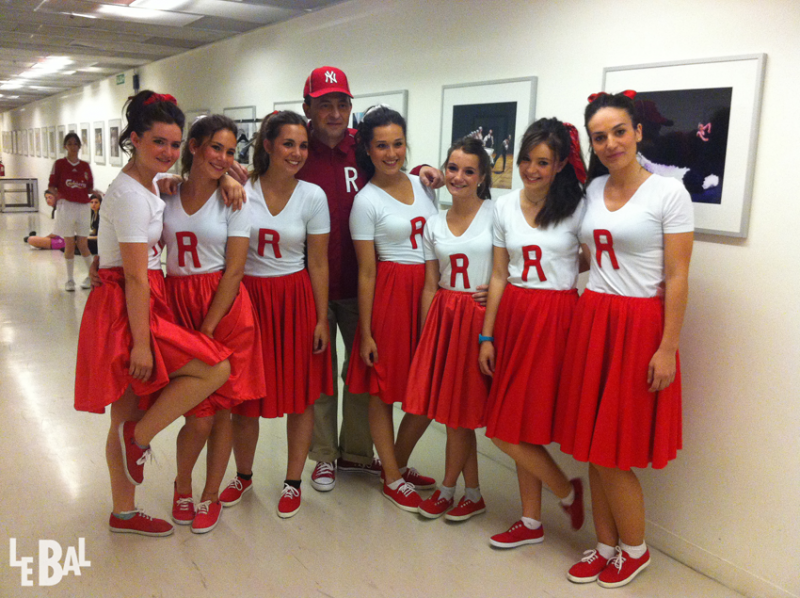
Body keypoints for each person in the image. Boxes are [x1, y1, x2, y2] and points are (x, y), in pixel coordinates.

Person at [73, 90, 232, 537]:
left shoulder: (146, 185)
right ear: (135, 139)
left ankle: (124, 504)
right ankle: (136, 449)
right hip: (127, 305)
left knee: (127, 413)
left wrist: (227, 179)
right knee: (212, 368)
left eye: (175, 144)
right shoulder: (130, 194)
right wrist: (141, 344)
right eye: (158, 142)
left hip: (138, 299)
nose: (167, 152)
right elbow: (135, 275)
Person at [553, 91, 693, 588]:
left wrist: (667, 347)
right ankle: (606, 545)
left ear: (637, 132)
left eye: (618, 132)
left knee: (614, 450)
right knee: (593, 445)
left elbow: (678, 276)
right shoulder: (592, 190)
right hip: (594, 318)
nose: (610, 143)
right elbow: (584, 253)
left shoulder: (669, 193)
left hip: (638, 326)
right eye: (599, 136)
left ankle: (636, 550)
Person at [297, 66, 444, 494]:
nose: (334, 112)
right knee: (320, 375)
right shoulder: (298, 151)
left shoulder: (360, 147)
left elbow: (393, 168)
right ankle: (324, 455)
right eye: (324, 104)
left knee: (363, 373)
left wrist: (424, 169)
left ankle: (357, 454)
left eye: (341, 103)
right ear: (308, 108)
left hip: (367, 285)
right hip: (313, 283)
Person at [479, 118, 588, 550]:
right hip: (514, 314)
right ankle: (534, 517)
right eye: (525, 159)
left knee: (513, 427)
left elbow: (594, 257)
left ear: (560, 164)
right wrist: (487, 336)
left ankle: (562, 495)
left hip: (556, 318)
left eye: (543, 162)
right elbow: (499, 274)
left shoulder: (578, 207)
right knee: (512, 425)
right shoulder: (504, 206)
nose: (531, 169)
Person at [220, 111, 332, 519]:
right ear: (267, 145)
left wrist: (321, 318)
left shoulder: (313, 196)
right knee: (245, 397)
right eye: (288, 144)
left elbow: (317, 262)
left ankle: (293, 481)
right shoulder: (238, 188)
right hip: (248, 299)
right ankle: (243, 475)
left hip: (294, 300)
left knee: (301, 397)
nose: (297, 153)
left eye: (303, 145)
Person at [160, 114, 265, 533]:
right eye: (215, 148)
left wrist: (206, 329)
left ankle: (210, 494)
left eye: (230, 152)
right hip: (177, 304)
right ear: (194, 147)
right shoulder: (165, 192)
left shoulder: (235, 200)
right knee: (196, 413)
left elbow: (235, 270)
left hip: (222, 307)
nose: (223, 158)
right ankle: (182, 484)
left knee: (222, 412)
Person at [346, 105, 438, 512]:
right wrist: (366, 331)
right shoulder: (365, 201)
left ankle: (394, 463)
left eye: (397, 143)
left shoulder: (424, 185)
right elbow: (367, 272)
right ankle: (392, 476)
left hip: (431, 290)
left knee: (431, 387)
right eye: (381, 145)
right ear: (367, 149)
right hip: (392, 293)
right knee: (382, 390)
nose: (391, 153)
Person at [404, 136, 493, 521]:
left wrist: (501, 291)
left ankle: (448, 488)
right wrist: (427, 336)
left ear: (482, 176)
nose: (458, 177)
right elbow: (429, 284)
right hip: (445, 317)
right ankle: (471, 493)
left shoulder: (497, 214)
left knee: (461, 414)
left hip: (479, 318)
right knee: (456, 414)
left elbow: (512, 268)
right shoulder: (434, 223)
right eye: (453, 168)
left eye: (469, 171)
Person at [49, 132, 94, 291]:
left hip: (83, 207)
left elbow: (89, 188)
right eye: (70, 144)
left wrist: (95, 193)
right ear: (65, 146)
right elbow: (52, 186)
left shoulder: (85, 166)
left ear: (80, 146)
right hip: (66, 206)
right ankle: (70, 280)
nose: (73, 147)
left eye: (76, 144)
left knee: (82, 244)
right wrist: (59, 197)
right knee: (69, 244)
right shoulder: (59, 164)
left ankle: (92, 276)